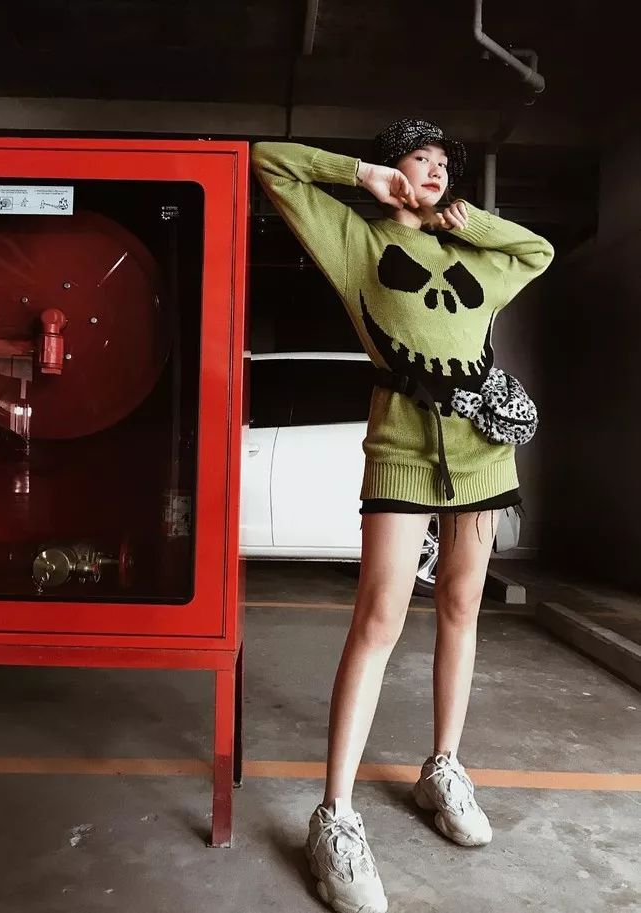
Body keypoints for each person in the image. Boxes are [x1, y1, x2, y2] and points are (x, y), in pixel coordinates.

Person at [251, 118, 554, 913]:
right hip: (402, 449)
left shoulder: (476, 253)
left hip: (485, 450)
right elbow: (270, 163)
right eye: (419, 157)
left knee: (460, 604)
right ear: (395, 169)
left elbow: (538, 251)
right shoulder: (355, 240)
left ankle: (444, 767)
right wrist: (364, 178)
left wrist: (470, 221)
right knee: (379, 615)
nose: (435, 168)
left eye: (444, 161)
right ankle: (335, 815)